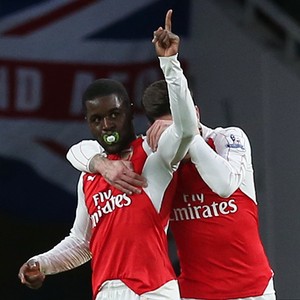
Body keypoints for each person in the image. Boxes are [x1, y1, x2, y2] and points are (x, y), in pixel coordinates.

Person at [66, 45, 276, 300]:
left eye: (179, 125)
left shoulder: (227, 139)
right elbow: (78, 150)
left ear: (195, 113)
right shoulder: (159, 161)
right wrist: (101, 163)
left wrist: (188, 133)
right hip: (194, 293)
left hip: (255, 291)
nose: (176, 136)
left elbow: (224, 185)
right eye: (166, 129)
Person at [18, 9, 199, 300]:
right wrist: (43, 263)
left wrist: (169, 63)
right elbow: (82, 241)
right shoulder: (89, 176)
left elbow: (188, 131)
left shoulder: (153, 154)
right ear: (88, 123)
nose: (107, 125)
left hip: (154, 291)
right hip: (106, 292)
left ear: (129, 110)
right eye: (97, 119)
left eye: (114, 114)